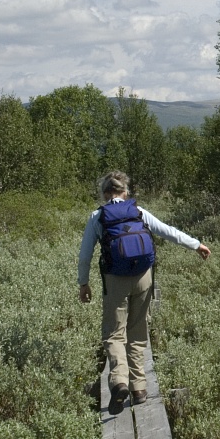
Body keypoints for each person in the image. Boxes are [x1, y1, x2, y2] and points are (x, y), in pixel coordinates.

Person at [78, 171, 210, 413]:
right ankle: (139, 388)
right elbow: (167, 231)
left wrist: (83, 283)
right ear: (125, 192)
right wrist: (196, 244)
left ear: (105, 194)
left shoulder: (97, 217)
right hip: (143, 278)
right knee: (138, 332)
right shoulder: (138, 212)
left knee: (114, 334)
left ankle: (119, 381)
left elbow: (85, 255)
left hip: (115, 281)